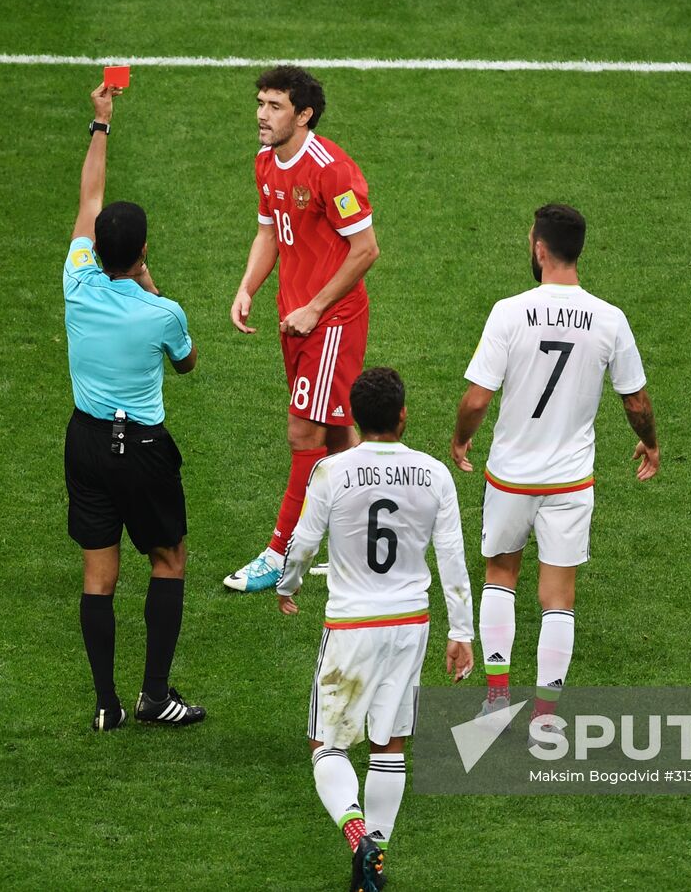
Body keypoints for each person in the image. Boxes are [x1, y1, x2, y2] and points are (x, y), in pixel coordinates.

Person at [450, 204, 659, 734]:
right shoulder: (610, 318)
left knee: (500, 576)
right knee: (558, 597)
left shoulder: (509, 311)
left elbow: (476, 398)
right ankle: (546, 720)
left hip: (512, 476)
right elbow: (635, 402)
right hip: (569, 481)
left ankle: (496, 703)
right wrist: (650, 444)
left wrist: (460, 439)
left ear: (540, 248)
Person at [278, 367, 475, 892]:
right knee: (390, 746)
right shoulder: (434, 474)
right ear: (404, 415)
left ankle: (358, 835)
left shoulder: (332, 472)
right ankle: (377, 862)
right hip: (411, 624)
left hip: (351, 625)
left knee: (328, 746)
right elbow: (452, 558)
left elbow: (302, 542)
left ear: (356, 418)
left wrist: (287, 585)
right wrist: (463, 633)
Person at [63, 81, 205, 731]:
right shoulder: (163, 312)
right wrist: (151, 285)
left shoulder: (76, 280)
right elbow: (187, 361)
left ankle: (104, 702)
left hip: (86, 444)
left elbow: (89, 198)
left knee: (99, 575)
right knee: (168, 558)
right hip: (143, 450)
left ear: (96, 247)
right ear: (143, 251)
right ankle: (154, 693)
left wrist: (102, 124)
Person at [224, 65, 382, 593]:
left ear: (304, 113)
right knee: (338, 436)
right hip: (294, 320)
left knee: (303, 432)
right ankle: (368, 541)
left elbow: (366, 250)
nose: (261, 115)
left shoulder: (331, 171)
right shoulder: (266, 164)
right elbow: (269, 232)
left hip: (331, 320)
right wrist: (249, 286)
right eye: (261, 103)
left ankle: (279, 552)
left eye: (274, 106)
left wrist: (315, 308)